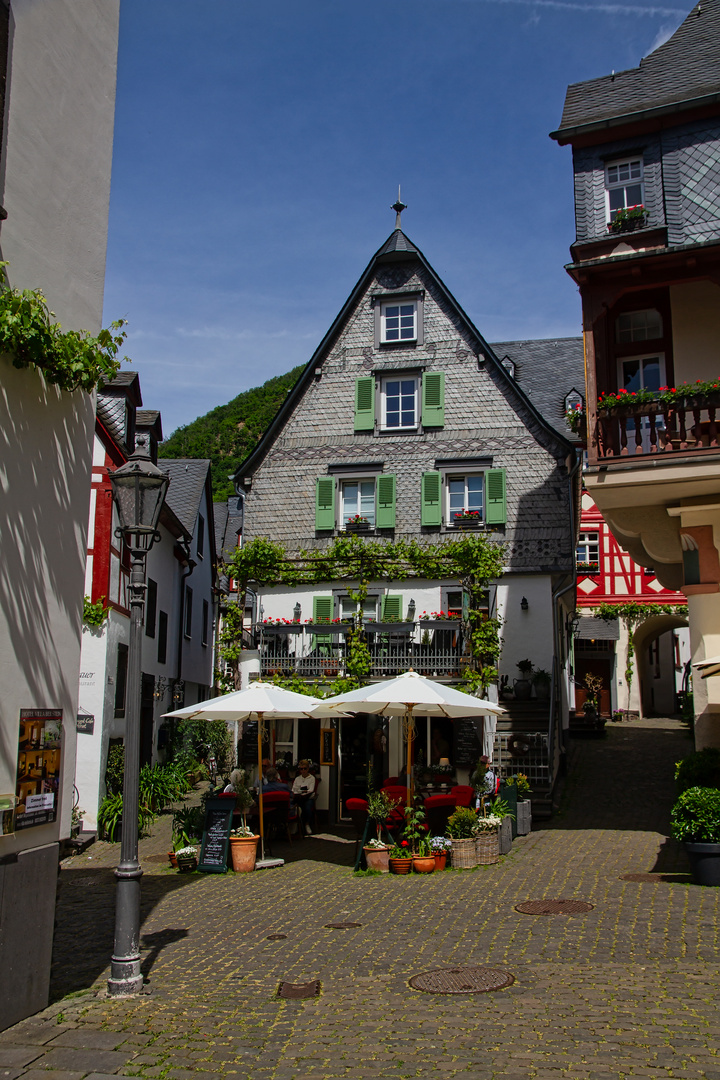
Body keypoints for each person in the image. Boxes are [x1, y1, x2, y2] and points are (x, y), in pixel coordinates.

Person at [292, 759, 317, 834]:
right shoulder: (297, 779)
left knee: (307, 808)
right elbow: (293, 789)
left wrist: (300, 790)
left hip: (308, 798)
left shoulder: (312, 778)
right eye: (301, 769)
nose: (303, 771)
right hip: (299, 797)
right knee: (292, 806)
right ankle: (295, 825)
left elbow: (310, 790)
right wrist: (302, 790)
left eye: (305, 768)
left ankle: (307, 824)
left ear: (308, 769)